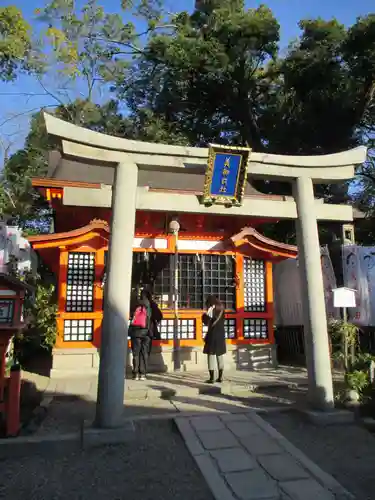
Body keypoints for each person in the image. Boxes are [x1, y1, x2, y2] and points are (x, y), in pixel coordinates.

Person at [202, 296, 226, 384]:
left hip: (212, 335)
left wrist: (204, 316)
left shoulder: (211, 309)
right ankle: (220, 377)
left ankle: (211, 378)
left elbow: (207, 322)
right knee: (219, 356)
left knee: (211, 356)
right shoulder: (222, 308)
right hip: (220, 335)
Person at [129, 293, 152, 381]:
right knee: (144, 353)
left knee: (136, 354)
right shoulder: (149, 307)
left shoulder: (135, 305)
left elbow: (131, 317)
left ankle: (135, 374)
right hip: (146, 333)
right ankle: (143, 374)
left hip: (135, 333)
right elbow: (157, 316)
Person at [140, 289, 163, 357]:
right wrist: (155, 322)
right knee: (146, 350)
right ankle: (143, 366)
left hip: (137, 330)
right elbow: (159, 316)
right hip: (148, 330)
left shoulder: (138, 303)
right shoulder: (152, 304)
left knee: (137, 352)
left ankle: (137, 366)